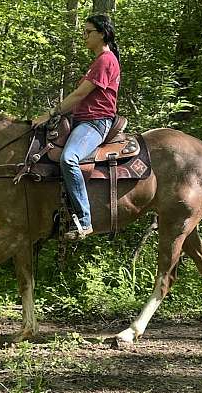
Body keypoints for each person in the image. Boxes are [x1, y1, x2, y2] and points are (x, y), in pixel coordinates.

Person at [32, 14, 121, 240]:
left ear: (102, 33)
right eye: (84, 32)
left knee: (68, 159)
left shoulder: (106, 60)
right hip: (81, 121)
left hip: (96, 122)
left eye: (88, 32)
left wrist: (51, 113)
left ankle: (84, 220)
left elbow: (81, 94)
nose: (84, 36)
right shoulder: (97, 61)